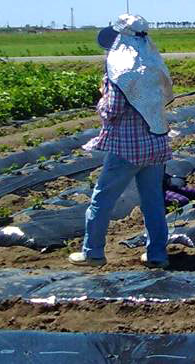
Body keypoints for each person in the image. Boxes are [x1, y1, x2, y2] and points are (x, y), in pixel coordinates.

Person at [69, 14, 174, 269]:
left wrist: (102, 98)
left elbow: (113, 110)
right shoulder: (153, 63)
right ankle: (157, 254)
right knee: (153, 201)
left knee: (102, 199)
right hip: (156, 143)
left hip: (127, 148)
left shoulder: (119, 69)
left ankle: (92, 251)